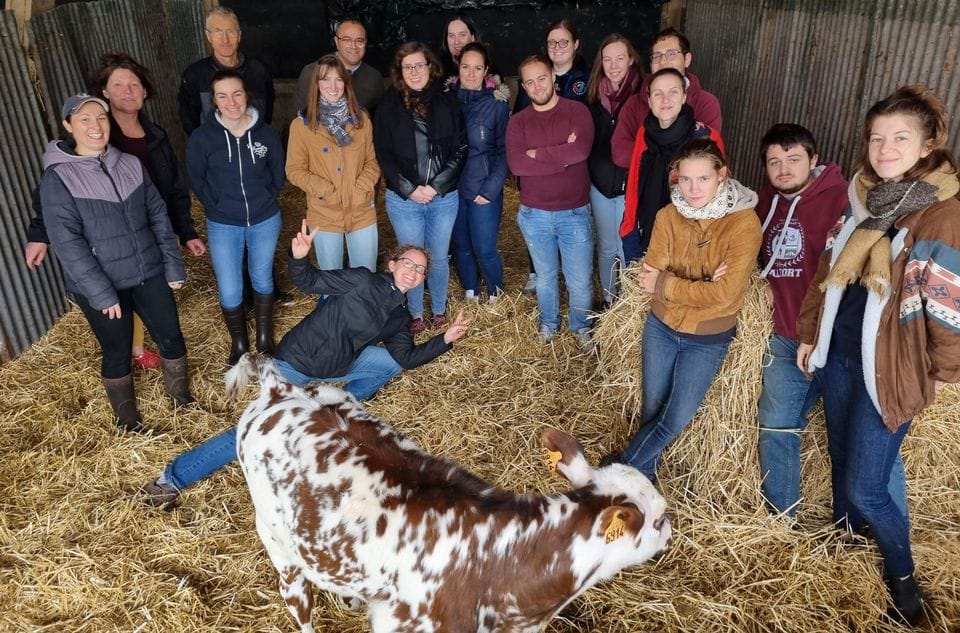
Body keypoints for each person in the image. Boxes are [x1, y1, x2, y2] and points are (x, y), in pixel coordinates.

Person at [141, 225, 472, 507]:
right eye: (408, 264)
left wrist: (446, 338)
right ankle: (172, 479)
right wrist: (298, 255)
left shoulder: (400, 314)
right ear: (392, 264)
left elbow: (406, 359)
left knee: (389, 365)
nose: (413, 272)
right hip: (296, 363)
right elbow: (309, 281)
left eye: (420, 269)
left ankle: (341, 406)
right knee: (252, 431)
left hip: (339, 365)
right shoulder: (361, 280)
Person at [796, 85, 960, 625]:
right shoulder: (862, 200)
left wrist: (940, 371)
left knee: (869, 487)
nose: (885, 148)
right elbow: (827, 271)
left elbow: (948, 300)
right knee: (841, 458)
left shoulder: (939, 215)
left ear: (929, 143)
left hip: (889, 367)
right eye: (876, 137)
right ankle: (846, 545)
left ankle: (905, 584)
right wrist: (809, 335)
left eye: (900, 138)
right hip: (841, 353)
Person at [754, 123, 909, 520]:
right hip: (787, 337)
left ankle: (883, 530)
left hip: (842, 343)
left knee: (870, 440)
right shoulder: (761, 206)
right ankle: (782, 520)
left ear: (814, 160)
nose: (784, 169)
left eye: (793, 159)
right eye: (774, 162)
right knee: (777, 427)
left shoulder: (847, 201)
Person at [24, 52, 206, 371]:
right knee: (121, 302)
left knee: (153, 303)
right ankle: (134, 349)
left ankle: (150, 352)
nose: (128, 90)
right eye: (118, 84)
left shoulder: (156, 135)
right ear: (104, 93)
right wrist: (39, 234)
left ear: (145, 91)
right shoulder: (96, 137)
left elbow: (173, 190)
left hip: (148, 229)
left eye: (134, 84)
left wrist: (186, 231)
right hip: (108, 235)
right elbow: (52, 199)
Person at [608, 138, 761, 481]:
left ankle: (619, 470)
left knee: (674, 419)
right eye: (686, 179)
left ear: (722, 175)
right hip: (661, 327)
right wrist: (704, 280)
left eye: (703, 179)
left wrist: (669, 282)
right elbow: (651, 271)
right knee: (651, 410)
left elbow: (724, 295)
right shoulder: (667, 215)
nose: (693, 189)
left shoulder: (744, 224)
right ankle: (641, 480)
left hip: (707, 337)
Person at [39, 94, 194, 431]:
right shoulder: (58, 179)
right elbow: (67, 243)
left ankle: (182, 402)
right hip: (102, 284)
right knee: (117, 349)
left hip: (147, 270)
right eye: (84, 119)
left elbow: (158, 217)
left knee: (171, 336)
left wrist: (173, 264)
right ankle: (128, 422)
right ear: (68, 126)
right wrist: (101, 292)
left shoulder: (130, 164)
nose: (95, 126)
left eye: (102, 118)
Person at [186, 70, 285, 366]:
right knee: (229, 285)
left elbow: (278, 172)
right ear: (214, 101)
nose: (232, 102)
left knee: (262, 276)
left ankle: (265, 340)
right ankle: (239, 343)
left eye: (237, 94)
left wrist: (267, 195)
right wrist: (216, 204)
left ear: (247, 95)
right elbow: (196, 178)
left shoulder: (265, 133)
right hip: (223, 223)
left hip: (265, 218)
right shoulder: (203, 138)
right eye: (223, 96)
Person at [374, 41, 466, 333]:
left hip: (442, 196)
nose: (414, 72)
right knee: (410, 261)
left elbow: (460, 148)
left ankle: (438, 309)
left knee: (437, 256)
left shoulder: (447, 101)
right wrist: (410, 188)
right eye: (408, 66)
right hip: (404, 199)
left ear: (431, 67)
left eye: (419, 65)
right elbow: (383, 153)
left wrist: (436, 186)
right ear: (400, 72)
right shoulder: (388, 105)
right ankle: (414, 312)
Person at [506, 55, 595, 350]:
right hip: (535, 213)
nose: (536, 86)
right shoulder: (518, 121)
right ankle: (549, 323)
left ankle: (581, 326)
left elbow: (579, 152)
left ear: (553, 77)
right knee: (545, 276)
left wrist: (537, 154)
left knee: (579, 280)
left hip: (574, 211)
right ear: (524, 86)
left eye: (541, 78)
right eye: (529, 81)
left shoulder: (577, 111)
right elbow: (517, 165)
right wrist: (560, 155)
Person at [514, 18, 590, 295]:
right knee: (539, 230)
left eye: (564, 41)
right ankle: (538, 271)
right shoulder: (533, 83)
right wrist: (560, 151)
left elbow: (580, 144)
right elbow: (519, 149)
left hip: (574, 183)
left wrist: (538, 153)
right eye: (552, 42)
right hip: (538, 191)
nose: (557, 47)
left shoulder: (586, 79)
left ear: (576, 44)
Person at [287, 54, 380, 273]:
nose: (333, 86)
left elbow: (372, 162)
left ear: (346, 84)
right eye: (326, 80)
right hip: (324, 212)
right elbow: (294, 170)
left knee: (365, 277)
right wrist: (325, 191)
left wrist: (360, 189)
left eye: (339, 79)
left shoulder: (361, 120)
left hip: (361, 210)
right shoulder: (302, 126)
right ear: (316, 84)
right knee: (331, 279)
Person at [619, 68, 724, 262]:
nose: (665, 100)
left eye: (673, 92)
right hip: (647, 229)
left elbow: (720, 195)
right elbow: (634, 181)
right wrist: (628, 228)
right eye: (658, 94)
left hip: (690, 242)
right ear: (649, 101)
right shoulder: (645, 132)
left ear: (684, 96)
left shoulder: (705, 136)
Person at [448, 42, 509, 302]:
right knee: (461, 246)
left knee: (484, 248)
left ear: (486, 71)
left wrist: (491, 188)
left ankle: (496, 292)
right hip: (451, 188)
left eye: (477, 68)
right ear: (458, 67)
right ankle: (471, 290)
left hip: (482, 187)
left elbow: (505, 149)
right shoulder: (446, 99)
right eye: (465, 67)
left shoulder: (496, 105)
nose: (471, 74)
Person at [585, 34, 643, 306]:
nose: (614, 64)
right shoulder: (593, 96)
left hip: (629, 186)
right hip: (600, 186)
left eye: (620, 58)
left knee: (627, 246)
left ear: (631, 59)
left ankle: (629, 303)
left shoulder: (642, 97)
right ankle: (609, 300)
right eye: (607, 59)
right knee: (607, 247)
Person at [611, 27, 722, 169]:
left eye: (671, 54)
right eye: (656, 56)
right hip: (643, 187)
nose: (663, 61)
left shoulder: (706, 103)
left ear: (687, 59)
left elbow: (706, 154)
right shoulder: (634, 104)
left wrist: (651, 155)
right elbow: (620, 152)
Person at [178, 6, 274, 136]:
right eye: (218, 32)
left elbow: (267, 113)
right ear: (208, 36)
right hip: (215, 151)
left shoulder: (258, 70)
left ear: (239, 35)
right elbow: (190, 122)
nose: (225, 40)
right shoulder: (195, 75)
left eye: (230, 31)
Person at [293, 19, 385, 116]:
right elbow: (294, 118)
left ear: (365, 43)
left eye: (359, 40)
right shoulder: (312, 72)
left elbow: (381, 119)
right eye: (346, 39)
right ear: (336, 42)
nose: (353, 46)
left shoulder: (374, 78)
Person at [439, 14, 479, 79]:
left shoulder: (489, 69)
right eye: (451, 36)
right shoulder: (437, 70)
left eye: (462, 35)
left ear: (472, 37)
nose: (456, 42)